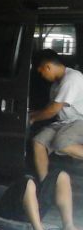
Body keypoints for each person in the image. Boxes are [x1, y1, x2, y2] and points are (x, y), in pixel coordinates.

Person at [30, 49, 83, 181]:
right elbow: (49, 108)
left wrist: (33, 118)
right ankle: (45, 184)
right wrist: (32, 113)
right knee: (38, 142)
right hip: (63, 123)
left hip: (79, 121)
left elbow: (52, 111)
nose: (42, 76)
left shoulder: (72, 78)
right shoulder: (56, 84)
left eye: (41, 72)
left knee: (62, 143)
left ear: (48, 67)